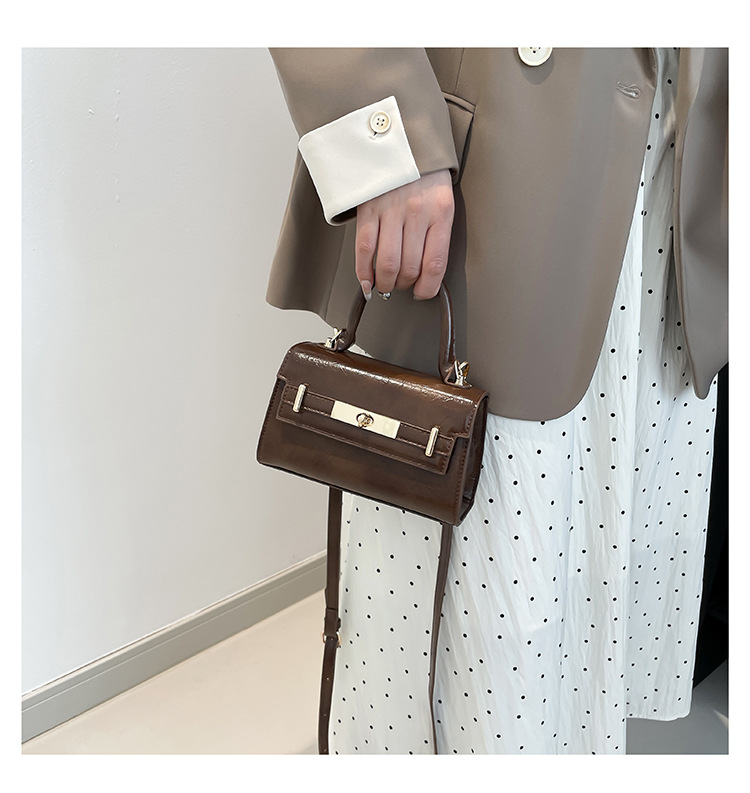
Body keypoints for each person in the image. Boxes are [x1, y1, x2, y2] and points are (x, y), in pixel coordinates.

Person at [266, 47, 728, 754]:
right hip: (502, 164)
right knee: (472, 592)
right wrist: (388, 141)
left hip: (675, 170)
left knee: (592, 584)